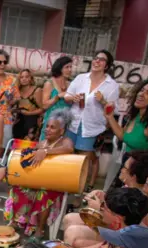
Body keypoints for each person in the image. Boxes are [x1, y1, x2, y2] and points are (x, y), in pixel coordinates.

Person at [4, 109, 75, 237]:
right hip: (37, 180)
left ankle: (39, 229)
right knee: (19, 187)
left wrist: (46, 151)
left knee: (43, 194)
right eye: (47, 126)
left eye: (52, 127)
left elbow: (69, 149)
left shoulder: (65, 141)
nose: (47, 129)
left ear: (61, 131)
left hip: (54, 183)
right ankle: (17, 221)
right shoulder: (41, 143)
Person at [58, 188, 148, 248]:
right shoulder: (128, 231)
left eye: (103, 207)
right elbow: (100, 246)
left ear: (117, 219)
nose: (100, 209)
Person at [65, 50, 120, 190]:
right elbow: (67, 96)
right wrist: (73, 98)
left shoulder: (112, 85)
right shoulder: (81, 78)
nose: (97, 61)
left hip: (92, 127)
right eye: (96, 58)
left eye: (102, 59)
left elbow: (113, 110)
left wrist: (103, 101)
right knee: (69, 154)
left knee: (86, 158)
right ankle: (69, 185)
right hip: (73, 123)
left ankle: (84, 187)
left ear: (106, 65)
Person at [98, 79, 148, 157]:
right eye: (142, 90)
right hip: (126, 161)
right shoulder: (137, 115)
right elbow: (122, 136)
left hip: (139, 164)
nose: (141, 94)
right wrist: (110, 117)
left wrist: (133, 162)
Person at [40, 56, 73, 142]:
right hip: (51, 123)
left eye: (71, 67)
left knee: (61, 147)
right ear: (59, 68)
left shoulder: (70, 84)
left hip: (65, 124)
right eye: (67, 67)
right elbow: (44, 105)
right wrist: (58, 97)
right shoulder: (50, 83)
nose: (70, 70)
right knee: (46, 146)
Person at [12, 69, 44, 140]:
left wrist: (29, 113)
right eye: (22, 77)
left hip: (32, 122)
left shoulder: (37, 90)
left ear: (31, 78)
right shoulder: (17, 91)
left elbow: (42, 109)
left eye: (27, 77)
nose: (24, 79)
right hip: (18, 122)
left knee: (28, 144)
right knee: (16, 144)